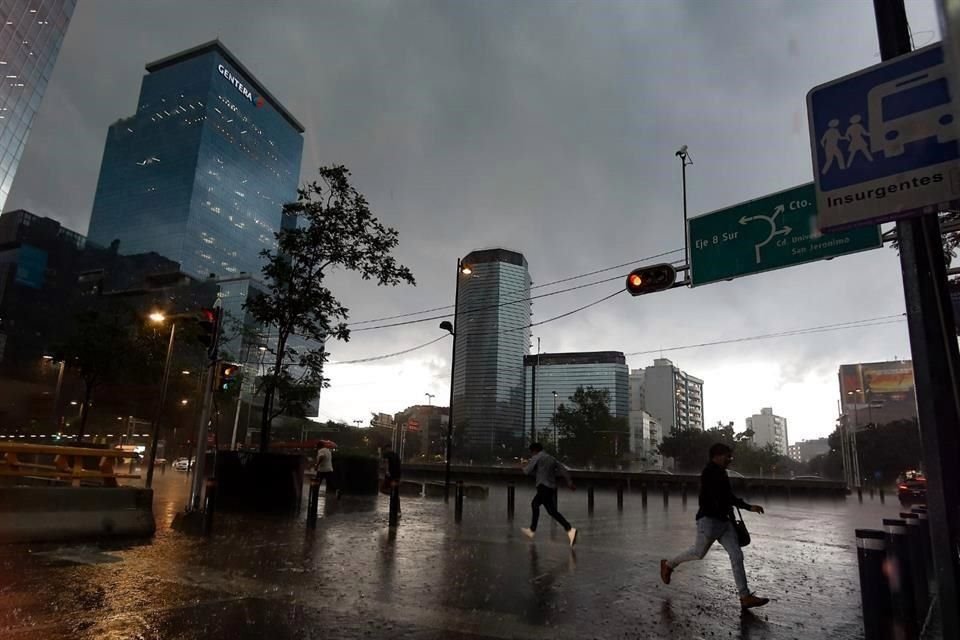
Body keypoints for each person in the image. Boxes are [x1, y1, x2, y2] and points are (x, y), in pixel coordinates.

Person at [660, 443, 769, 611]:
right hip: (709, 521)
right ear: (716, 456)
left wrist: (748, 507)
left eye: (730, 456)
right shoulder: (709, 473)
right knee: (698, 553)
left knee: (737, 555)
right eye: (727, 456)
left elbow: (728, 496)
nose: (730, 460)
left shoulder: (722, 473)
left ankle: (745, 596)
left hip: (725, 523)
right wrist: (727, 506)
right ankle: (668, 565)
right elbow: (716, 497)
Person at [520, 442, 578, 547]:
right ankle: (569, 529)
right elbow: (563, 469)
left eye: (531, 452)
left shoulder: (537, 457)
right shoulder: (551, 458)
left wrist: (523, 465)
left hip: (542, 486)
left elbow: (526, 471)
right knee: (551, 511)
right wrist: (569, 482)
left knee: (535, 505)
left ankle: (532, 530)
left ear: (534, 450)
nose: (532, 454)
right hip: (551, 487)